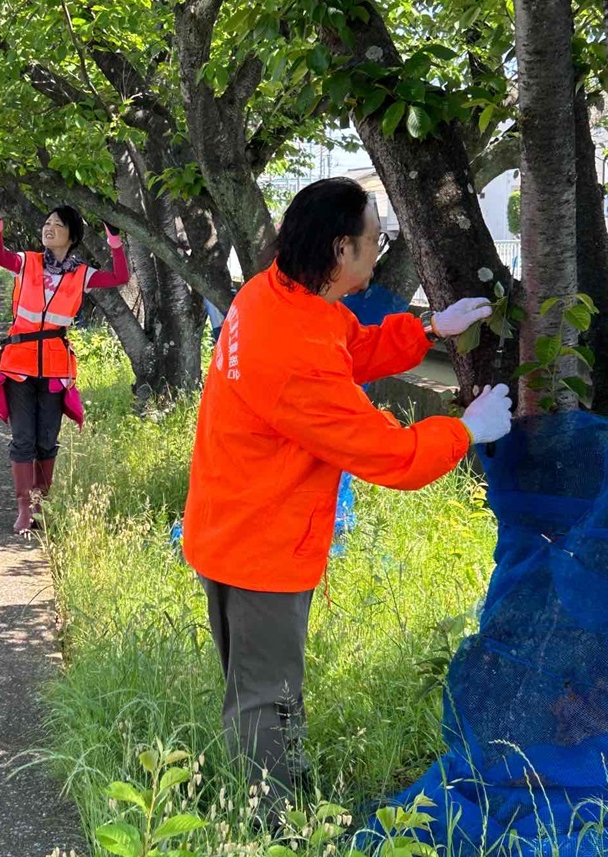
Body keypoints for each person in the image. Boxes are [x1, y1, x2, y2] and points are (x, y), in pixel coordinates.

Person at [181, 176, 512, 801]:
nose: (378, 246)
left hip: (231, 522)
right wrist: (464, 433)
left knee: (255, 685)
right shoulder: (292, 352)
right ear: (340, 251)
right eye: (373, 239)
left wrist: (428, 330)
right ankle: (273, 833)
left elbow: (348, 346)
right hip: (262, 544)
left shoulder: (271, 295)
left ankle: (271, 805)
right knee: (265, 698)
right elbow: (388, 453)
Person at [0, 199, 131, 532]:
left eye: (58, 225)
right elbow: (0, 256)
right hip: (19, 364)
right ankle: (23, 508)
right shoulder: (28, 261)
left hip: (54, 367)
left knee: (47, 440)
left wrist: (114, 240)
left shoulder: (81, 274)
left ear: (72, 236)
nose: (48, 228)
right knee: (23, 438)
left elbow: (120, 276)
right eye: (47, 223)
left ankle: (39, 505)